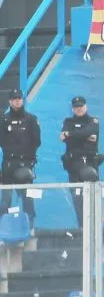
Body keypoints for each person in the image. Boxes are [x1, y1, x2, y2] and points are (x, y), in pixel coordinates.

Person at [0, 88, 40, 222]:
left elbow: (37, 141)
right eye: (14, 99)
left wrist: (26, 155)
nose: (17, 101)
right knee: (6, 198)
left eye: (19, 99)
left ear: (22, 100)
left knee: (27, 197)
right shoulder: (4, 120)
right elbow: (2, 141)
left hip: (25, 163)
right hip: (9, 164)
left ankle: (30, 226)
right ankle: (4, 228)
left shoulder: (31, 119)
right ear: (10, 101)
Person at [61, 95, 101, 225]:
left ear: (86, 106)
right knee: (77, 199)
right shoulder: (68, 122)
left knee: (92, 199)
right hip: (73, 165)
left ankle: (94, 228)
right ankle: (82, 228)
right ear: (72, 109)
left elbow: (90, 132)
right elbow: (64, 137)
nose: (79, 109)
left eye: (81, 106)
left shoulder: (93, 121)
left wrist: (71, 134)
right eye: (76, 107)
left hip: (90, 164)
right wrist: (85, 136)